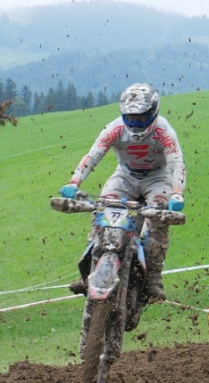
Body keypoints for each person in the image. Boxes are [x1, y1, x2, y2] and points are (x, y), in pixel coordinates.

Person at [60, 83, 185, 302]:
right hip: (125, 175)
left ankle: (153, 278)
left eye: (141, 119)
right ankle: (90, 271)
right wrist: (74, 182)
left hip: (158, 177)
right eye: (131, 119)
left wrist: (176, 193)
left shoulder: (163, 130)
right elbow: (93, 155)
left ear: (153, 114)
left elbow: (176, 162)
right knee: (102, 213)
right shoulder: (115, 128)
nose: (136, 124)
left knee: (158, 219)